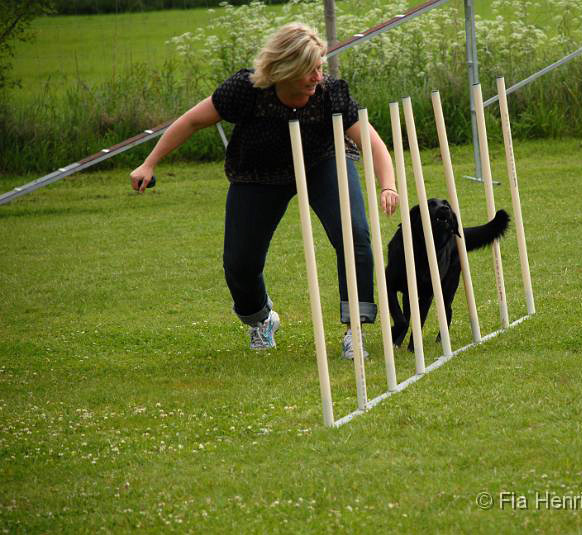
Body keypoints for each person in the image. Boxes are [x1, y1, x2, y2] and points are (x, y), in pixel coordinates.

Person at [130, 23, 398, 358]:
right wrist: (150, 162)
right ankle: (261, 319)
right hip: (257, 172)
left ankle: (354, 331)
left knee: (354, 233)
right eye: (310, 70)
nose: (318, 76)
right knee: (240, 263)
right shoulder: (246, 90)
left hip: (322, 161)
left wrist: (387, 183)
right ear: (285, 70)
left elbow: (369, 140)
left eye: (320, 67)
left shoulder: (330, 93)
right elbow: (192, 121)